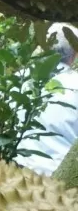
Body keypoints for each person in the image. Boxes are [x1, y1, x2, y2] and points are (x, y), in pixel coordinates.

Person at [18, 24, 78, 177]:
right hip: (59, 180)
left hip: (13, 172)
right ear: (75, 55)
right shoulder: (74, 84)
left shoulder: (19, 79)